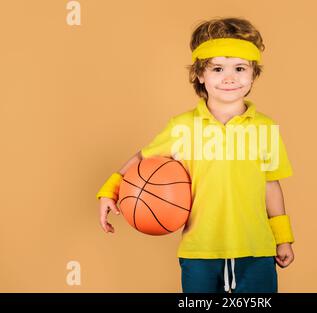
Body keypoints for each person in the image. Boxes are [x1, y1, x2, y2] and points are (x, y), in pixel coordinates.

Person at [96, 17, 295, 293]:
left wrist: (282, 238)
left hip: (256, 249)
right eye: (217, 68)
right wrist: (110, 190)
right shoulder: (182, 126)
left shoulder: (266, 128)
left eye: (240, 68)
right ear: (200, 74)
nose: (229, 77)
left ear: (253, 74)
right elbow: (141, 159)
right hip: (199, 250)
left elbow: (271, 186)